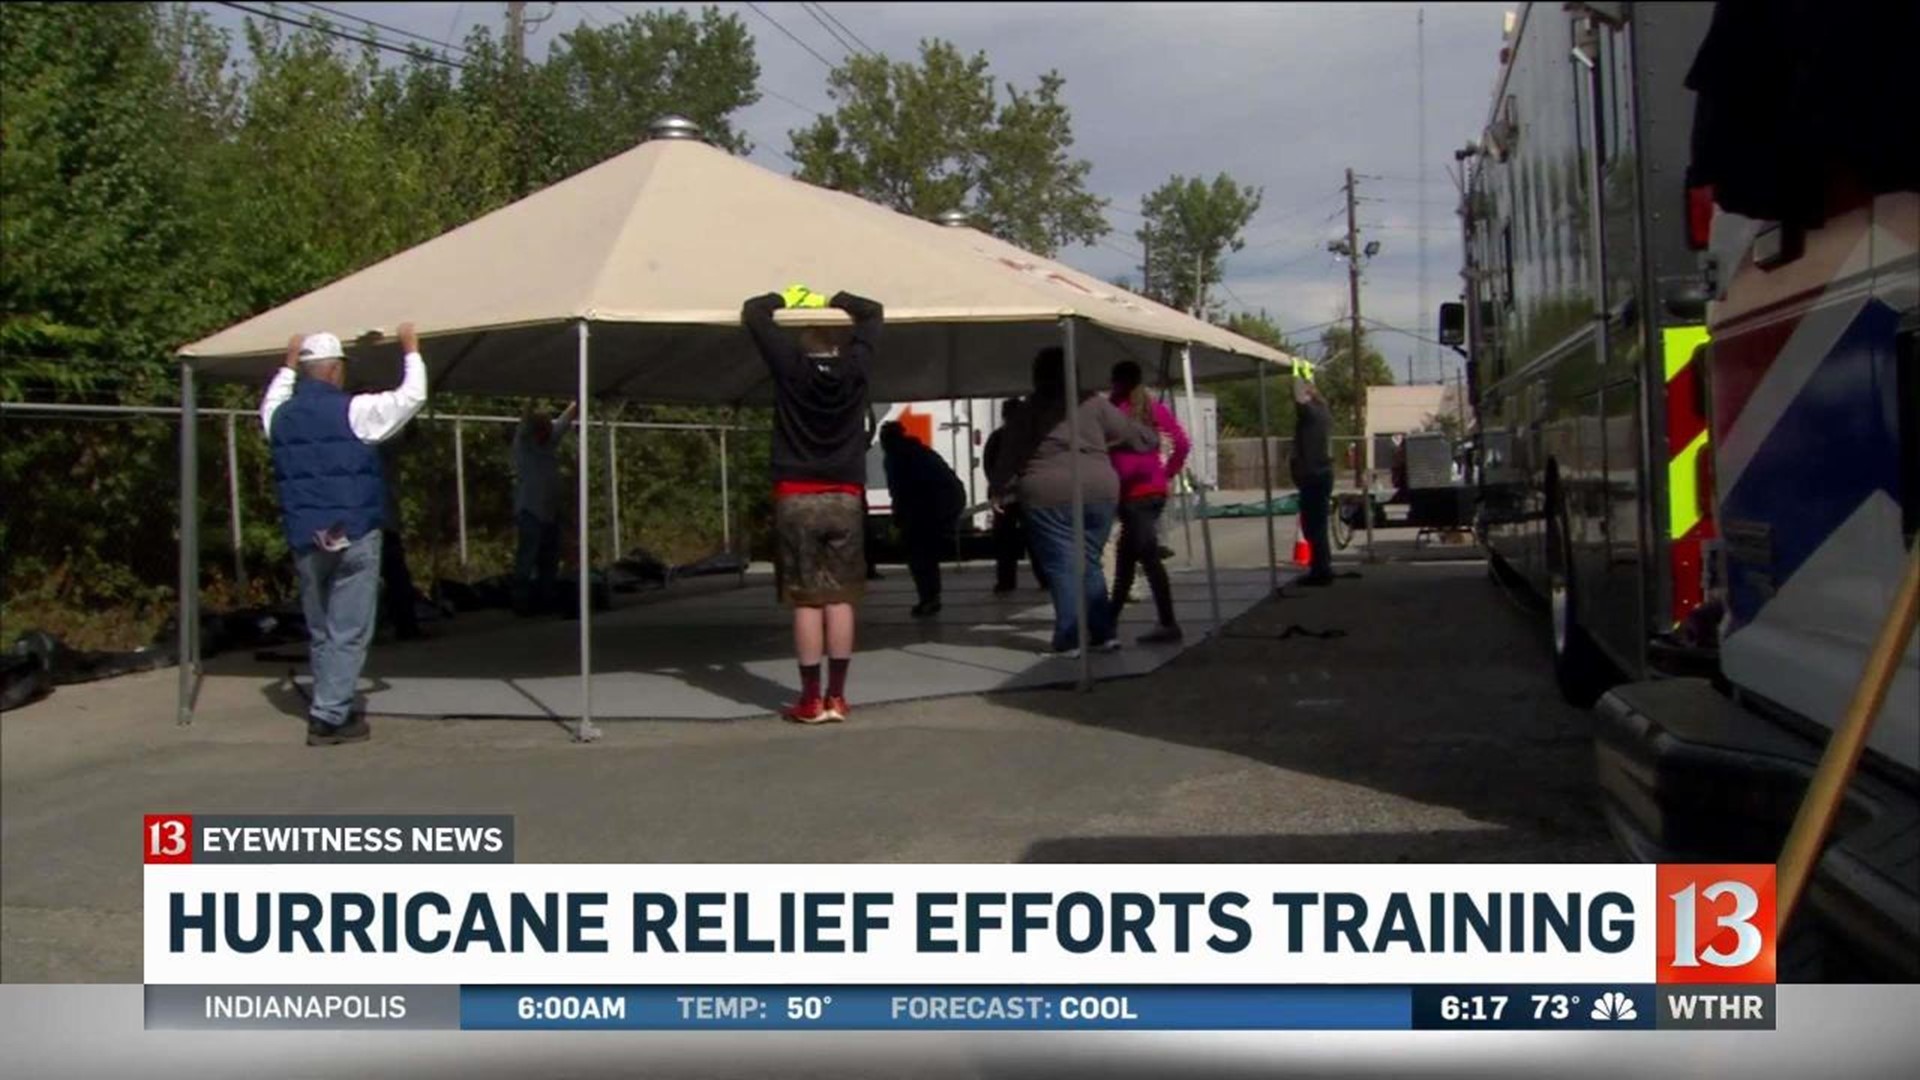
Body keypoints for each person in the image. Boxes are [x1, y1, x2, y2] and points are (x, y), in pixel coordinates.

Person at [260, 324, 428, 746]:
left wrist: (287, 361)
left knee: (320, 628)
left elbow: (272, 399)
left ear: (303, 371)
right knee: (348, 627)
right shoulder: (354, 410)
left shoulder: (279, 417)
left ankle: (328, 699)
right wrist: (411, 351)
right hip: (353, 530)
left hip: (306, 535)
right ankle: (330, 717)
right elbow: (412, 397)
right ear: (336, 371)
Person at [742, 283, 884, 724]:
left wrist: (791, 296)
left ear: (802, 338)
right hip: (844, 493)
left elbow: (753, 312)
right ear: (840, 339)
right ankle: (838, 697)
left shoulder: (790, 369)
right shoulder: (856, 368)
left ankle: (809, 699)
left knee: (807, 601)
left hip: (796, 494)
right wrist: (841, 298)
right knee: (840, 598)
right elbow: (874, 312)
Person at [986, 347, 1159, 658]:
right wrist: (1148, 438)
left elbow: (1010, 452)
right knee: (1089, 561)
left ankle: (1069, 639)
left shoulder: (1030, 408)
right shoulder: (1092, 402)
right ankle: (1103, 635)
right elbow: (1135, 436)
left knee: (1062, 566)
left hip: (1047, 491)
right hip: (1099, 488)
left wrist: (998, 487)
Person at [1106, 361, 1191, 643]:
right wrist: (1167, 473)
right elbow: (1182, 442)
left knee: (1147, 559)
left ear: (1117, 381)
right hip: (1151, 491)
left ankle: (1167, 622)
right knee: (1126, 558)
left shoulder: (1114, 408)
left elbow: (1181, 442)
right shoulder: (1152, 407)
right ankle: (1109, 623)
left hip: (1134, 495)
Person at [879, 420, 966, 616]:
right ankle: (931, 597)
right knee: (927, 555)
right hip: (944, 502)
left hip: (927, 508)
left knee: (919, 556)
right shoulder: (920, 450)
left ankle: (928, 598)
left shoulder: (896, 458)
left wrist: (898, 521)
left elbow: (899, 492)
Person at [511, 401, 577, 616]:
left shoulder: (549, 442)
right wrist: (530, 402)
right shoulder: (524, 445)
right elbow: (525, 421)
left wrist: (577, 402)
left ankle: (545, 598)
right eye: (542, 430)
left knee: (549, 559)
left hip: (549, 513)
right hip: (530, 511)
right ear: (534, 431)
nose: (546, 435)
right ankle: (521, 601)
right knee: (527, 558)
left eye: (548, 431)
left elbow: (565, 421)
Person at [982, 399, 1047, 594]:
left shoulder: (997, 437)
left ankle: (1006, 582)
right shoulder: (1031, 437)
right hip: (1028, 495)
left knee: (1004, 543)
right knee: (1036, 540)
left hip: (1004, 497)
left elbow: (989, 466)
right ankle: (1044, 579)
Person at [1289, 361, 1336, 587]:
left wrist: (1297, 373)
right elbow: (1304, 394)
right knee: (1317, 525)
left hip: (1313, 474)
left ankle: (1320, 570)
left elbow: (1299, 397)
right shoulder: (1323, 411)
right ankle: (1322, 566)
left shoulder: (1310, 414)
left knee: (1313, 525)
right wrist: (1305, 374)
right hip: (1321, 472)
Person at [377, 429, 423, 640]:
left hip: (378, 519)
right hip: (379, 520)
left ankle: (402, 623)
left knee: (391, 575)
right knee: (394, 574)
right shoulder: (380, 440)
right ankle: (404, 624)